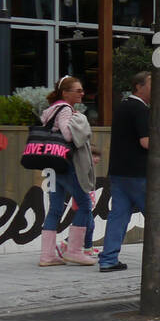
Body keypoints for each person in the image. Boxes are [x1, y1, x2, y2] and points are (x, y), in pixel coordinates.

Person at [98, 72, 160, 272]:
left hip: (118, 171)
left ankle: (108, 259)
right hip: (137, 172)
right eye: (152, 84)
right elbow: (146, 142)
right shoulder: (139, 109)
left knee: (118, 216)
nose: (157, 88)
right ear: (138, 86)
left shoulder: (123, 106)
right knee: (155, 214)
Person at [37, 76, 101, 268]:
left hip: (52, 163)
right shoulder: (65, 109)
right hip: (66, 164)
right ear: (65, 93)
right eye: (78, 90)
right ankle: (74, 251)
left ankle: (47, 256)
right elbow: (67, 135)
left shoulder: (50, 110)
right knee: (84, 204)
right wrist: (78, 121)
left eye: (82, 90)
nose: (82, 93)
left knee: (55, 209)